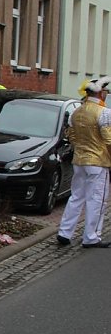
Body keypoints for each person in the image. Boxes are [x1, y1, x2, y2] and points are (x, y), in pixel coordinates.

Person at [56, 76, 111, 248]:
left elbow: (70, 136)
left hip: (79, 161)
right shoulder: (104, 113)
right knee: (96, 199)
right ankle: (91, 237)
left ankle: (65, 232)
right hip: (98, 162)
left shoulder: (76, 112)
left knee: (76, 196)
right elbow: (109, 140)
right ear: (101, 93)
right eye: (106, 92)